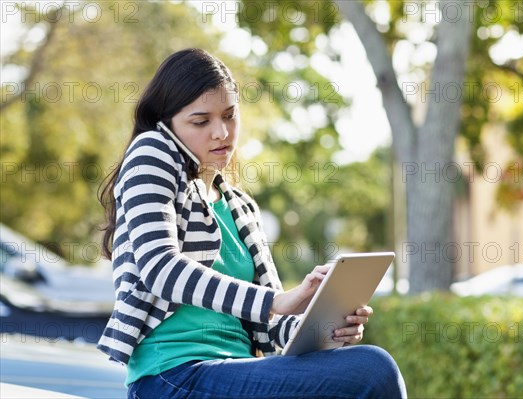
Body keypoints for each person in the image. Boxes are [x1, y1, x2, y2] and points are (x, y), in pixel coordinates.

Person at [97, 48, 407, 399]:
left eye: (230, 116)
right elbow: (161, 269)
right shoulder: (151, 153)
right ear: (167, 122)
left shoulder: (240, 207)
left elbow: (270, 327)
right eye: (201, 121)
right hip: (171, 375)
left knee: (358, 365)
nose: (221, 132)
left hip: (237, 369)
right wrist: (279, 300)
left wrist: (325, 329)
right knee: (372, 369)